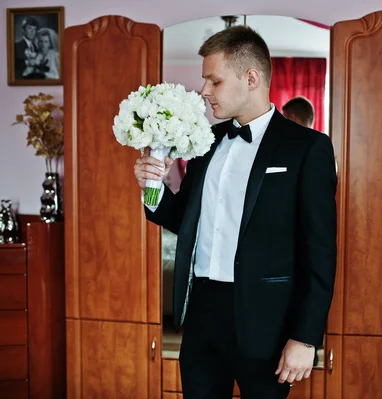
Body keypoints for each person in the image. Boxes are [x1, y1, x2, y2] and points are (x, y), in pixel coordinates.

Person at [134, 26, 337, 399]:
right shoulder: (205, 144)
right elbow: (184, 221)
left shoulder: (308, 148)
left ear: (251, 78)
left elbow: (320, 251)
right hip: (201, 315)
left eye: (214, 80)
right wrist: (152, 187)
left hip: (267, 323)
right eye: (204, 81)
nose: (205, 91)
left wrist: (306, 337)